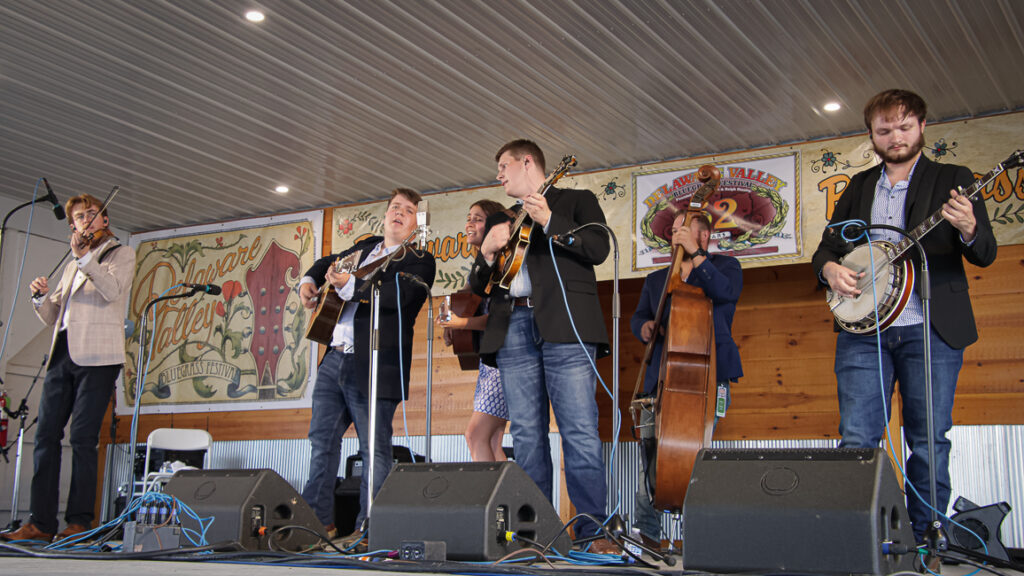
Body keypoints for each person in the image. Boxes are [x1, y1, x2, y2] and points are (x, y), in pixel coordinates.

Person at [812, 89, 996, 541]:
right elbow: (826, 250)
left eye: (904, 127)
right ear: (871, 135)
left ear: (922, 127)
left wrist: (969, 227)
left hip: (929, 328)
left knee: (929, 440)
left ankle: (926, 536)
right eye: (884, 130)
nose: (895, 137)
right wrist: (830, 269)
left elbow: (985, 251)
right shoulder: (858, 187)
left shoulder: (953, 178)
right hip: (862, 332)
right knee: (856, 438)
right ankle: (857, 538)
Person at [468, 139, 612, 549]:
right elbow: (481, 283)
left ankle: (593, 534)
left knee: (579, 432)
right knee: (527, 436)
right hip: (511, 325)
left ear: (527, 161)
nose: (498, 175)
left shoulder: (576, 200)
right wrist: (486, 252)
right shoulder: (504, 219)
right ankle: (534, 535)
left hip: (566, 327)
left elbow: (599, 248)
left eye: (503, 165)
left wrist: (551, 221)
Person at [297, 188, 436, 545]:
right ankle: (318, 525)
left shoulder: (419, 259)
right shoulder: (365, 247)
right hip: (334, 357)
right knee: (320, 443)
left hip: (375, 361)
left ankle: (369, 529)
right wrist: (309, 281)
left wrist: (353, 285)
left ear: (414, 223)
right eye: (394, 208)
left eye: (407, 211)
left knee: (374, 449)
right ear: (385, 214)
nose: (399, 214)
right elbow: (324, 261)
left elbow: (399, 297)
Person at [2, 194, 136, 543]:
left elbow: (111, 291)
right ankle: (40, 523)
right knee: (45, 435)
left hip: (99, 358)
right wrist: (39, 299)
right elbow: (53, 315)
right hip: (62, 353)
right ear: (73, 226)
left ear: (105, 221)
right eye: (79, 218)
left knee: (82, 438)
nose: (86, 221)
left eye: (93, 215)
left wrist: (85, 259)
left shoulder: (119, 254)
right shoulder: (73, 264)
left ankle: (80, 520)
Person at [629, 211, 743, 543]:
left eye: (684, 230)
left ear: (703, 235)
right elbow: (639, 316)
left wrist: (696, 254)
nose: (675, 234)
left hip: (710, 376)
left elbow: (725, 294)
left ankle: (699, 538)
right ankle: (647, 536)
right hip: (661, 377)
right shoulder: (656, 280)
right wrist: (643, 327)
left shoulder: (725, 268)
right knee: (649, 461)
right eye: (675, 230)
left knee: (701, 456)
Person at [438, 199, 510, 462]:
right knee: (492, 441)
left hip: (504, 359)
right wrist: (452, 325)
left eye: (478, 218)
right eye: (469, 217)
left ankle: (491, 502)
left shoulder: (502, 262)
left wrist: (462, 324)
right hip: (490, 361)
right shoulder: (479, 268)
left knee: (475, 435)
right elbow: (467, 297)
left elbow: (501, 318)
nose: (470, 223)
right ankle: (507, 501)